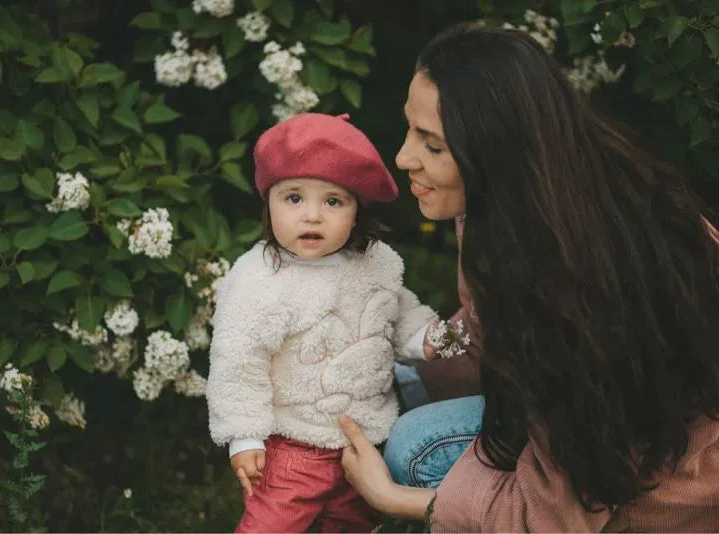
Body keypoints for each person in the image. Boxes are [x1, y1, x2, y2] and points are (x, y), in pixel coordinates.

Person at [338, 22, 719, 531]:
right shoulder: (531, 192)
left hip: (665, 480)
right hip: (590, 421)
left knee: (414, 445)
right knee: (375, 378)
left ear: (494, 149)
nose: (404, 158)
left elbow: (560, 514)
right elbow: (483, 329)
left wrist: (395, 498)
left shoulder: (572, 289)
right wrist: (406, 353)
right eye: (411, 129)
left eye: (432, 145)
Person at [205, 112, 440, 533]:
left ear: (356, 210)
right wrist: (244, 435)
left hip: (362, 445)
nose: (312, 216)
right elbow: (238, 358)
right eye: (294, 198)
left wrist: (421, 335)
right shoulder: (261, 277)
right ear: (269, 201)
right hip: (292, 445)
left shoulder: (372, 264)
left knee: (353, 524)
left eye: (333, 201)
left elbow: (395, 308)